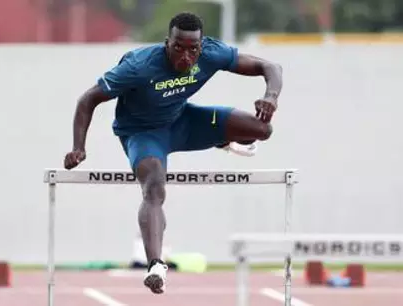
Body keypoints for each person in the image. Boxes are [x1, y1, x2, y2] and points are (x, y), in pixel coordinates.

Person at [63, 12, 282, 294]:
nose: (186, 57)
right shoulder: (138, 66)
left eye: (193, 49)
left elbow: (271, 67)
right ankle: (156, 264)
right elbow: (87, 99)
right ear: (167, 43)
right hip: (142, 133)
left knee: (262, 130)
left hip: (183, 122)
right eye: (178, 47)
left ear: (202, 46)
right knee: (154, 188)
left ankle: (219, 139)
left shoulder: (211, 53)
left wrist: (271, 97)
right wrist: (78, 146)